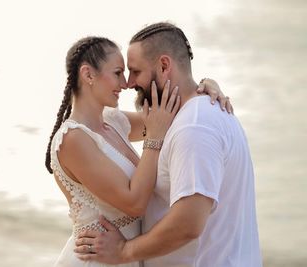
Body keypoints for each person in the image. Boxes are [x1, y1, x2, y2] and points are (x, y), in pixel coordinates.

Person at [75, 22, 262, 267]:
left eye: (135, 71)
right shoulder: (196, 114)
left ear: (164, 66)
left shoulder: (193, 128)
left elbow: (188, 224)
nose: (130, 83)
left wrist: (124, 251)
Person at [45, 36, 231, 267]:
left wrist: (203, 86)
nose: (125, 83)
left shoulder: (114, 121)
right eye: (117, 73)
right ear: (88, 74)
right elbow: (134, 203)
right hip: (95, 260)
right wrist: (153, 139)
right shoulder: (73, 139)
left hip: (125, 258)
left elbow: (170, 114)